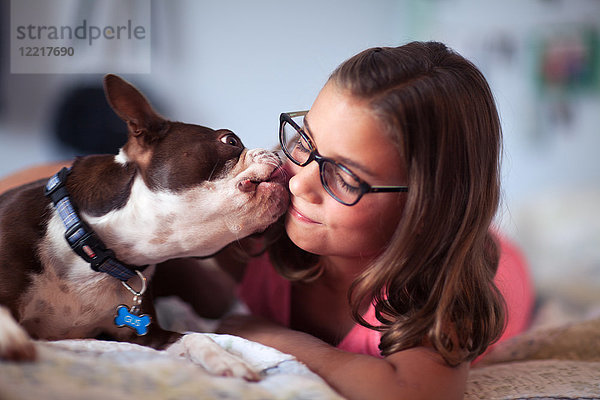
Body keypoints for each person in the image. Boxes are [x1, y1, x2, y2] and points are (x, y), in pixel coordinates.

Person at [0, 41, 534, 400]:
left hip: (498, 263)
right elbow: (70, 185)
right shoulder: (269, 225)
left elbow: (408, 391)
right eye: (305, 143)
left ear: (426, 208)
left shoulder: (438, 293)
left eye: (344, 176)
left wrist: (261, 333)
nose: (296, 180)